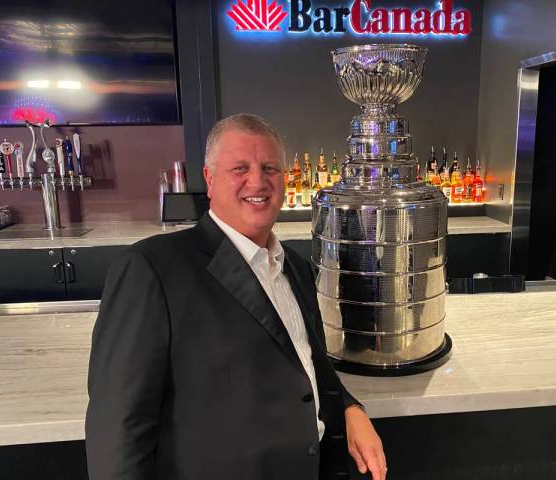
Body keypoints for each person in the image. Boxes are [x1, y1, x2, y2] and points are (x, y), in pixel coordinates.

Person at [85, 113, 387, 480]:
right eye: (239, 168)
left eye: (270, 168)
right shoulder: (152, 268)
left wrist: (350, 409)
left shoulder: (294, 265)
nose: (257, 181)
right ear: (210, 180)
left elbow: (308, 364)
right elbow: (118, 425)